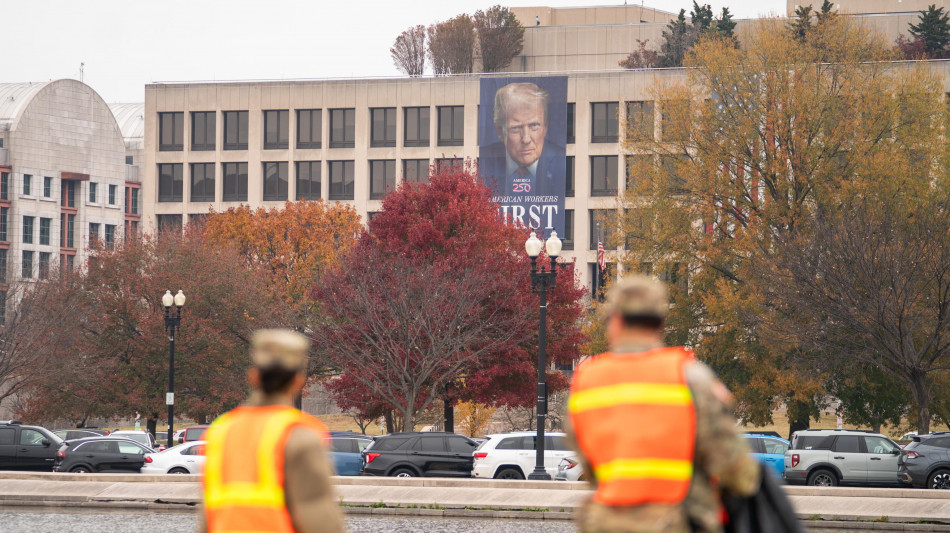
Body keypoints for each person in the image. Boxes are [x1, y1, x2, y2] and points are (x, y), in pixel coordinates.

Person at [568, 276, 760, 533]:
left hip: (607, 524)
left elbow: (590, 466)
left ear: (616, 321)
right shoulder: (691, 378)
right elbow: (737, 471)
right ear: (660, 323)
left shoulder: (585, 382)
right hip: (679, 521)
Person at [199, 329, 345, 533]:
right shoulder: (299, 435)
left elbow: (207, 515)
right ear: (298, 380)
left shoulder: (220, 432)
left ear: (253, 376)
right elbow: (318, 517)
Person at [479, 82, 565, 198]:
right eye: (516, 128)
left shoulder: (562, 162)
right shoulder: (483, 164)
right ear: (500, 131)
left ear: (545, 128)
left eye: (534, 126)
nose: (526, 139)